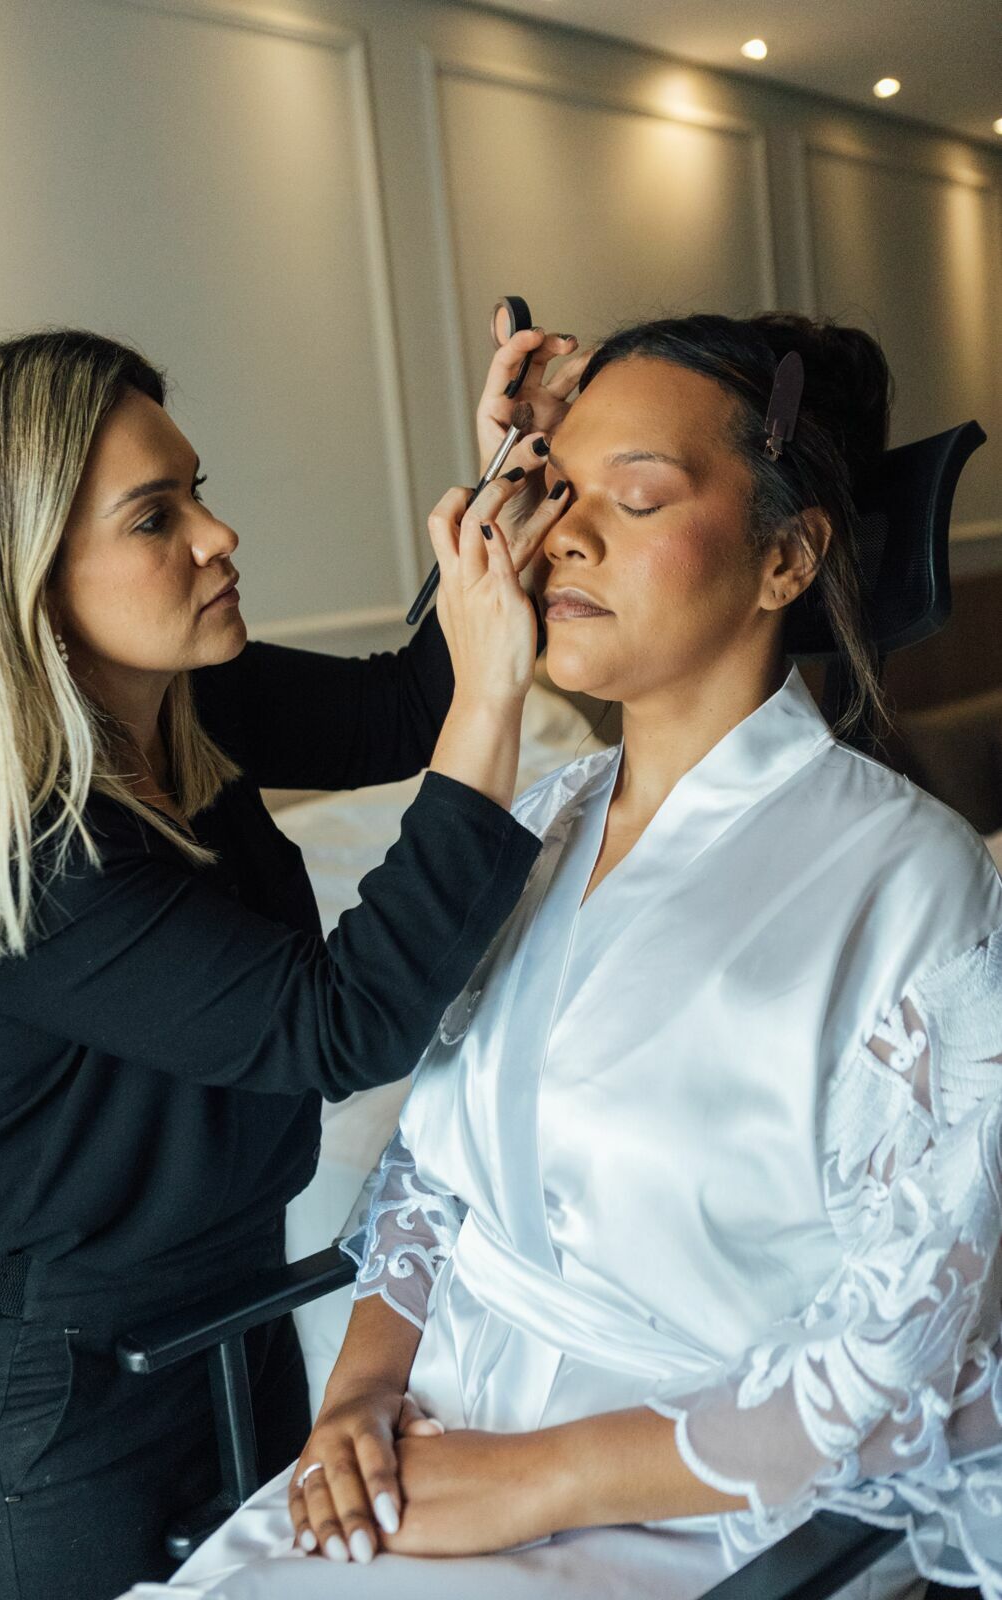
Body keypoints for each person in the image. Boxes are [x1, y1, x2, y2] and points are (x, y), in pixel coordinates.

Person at [130, 314, 1002, 1600]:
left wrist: (533, 1479)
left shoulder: (910, 885)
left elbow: (904, 1345)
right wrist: (357, 1400)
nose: (566, 537)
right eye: (553, 493)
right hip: (418, 1466)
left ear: (784, 558)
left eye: (636, 497)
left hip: (686, 1517)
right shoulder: (531, 827)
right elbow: (430, 1174)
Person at [0, 323, 594, 1600]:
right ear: (25, 576)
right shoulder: (24, 857)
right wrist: (495, 710)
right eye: (154, 516)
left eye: (199, 490)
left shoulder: (184, 695)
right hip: (54, 1401)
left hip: (232, 1307)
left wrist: (512, 472)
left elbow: (403, 705)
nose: (216, 534)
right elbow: (340, 1026)